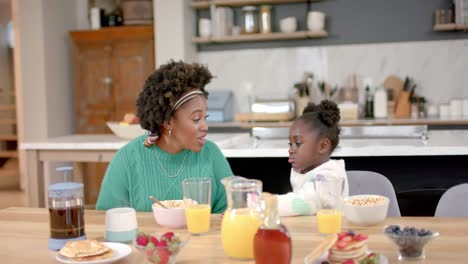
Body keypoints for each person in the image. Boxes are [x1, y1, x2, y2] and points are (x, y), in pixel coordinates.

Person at [96, 60, 233, 213]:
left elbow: (231, 209)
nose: (205, 127)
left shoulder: (211, 153)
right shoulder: (127, 159)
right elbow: (106, 218)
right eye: (196, 119)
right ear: (168, 122)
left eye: (204, 118)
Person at [278, 100, 349, 216]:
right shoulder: (304, 169)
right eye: (290, 144)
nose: (291, 150)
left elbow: (304, 201)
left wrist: (264, 203)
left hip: (332, 233)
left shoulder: (330, 175)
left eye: (298, 143)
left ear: (322, 146)